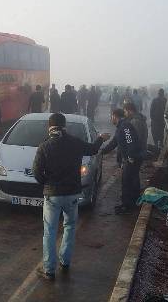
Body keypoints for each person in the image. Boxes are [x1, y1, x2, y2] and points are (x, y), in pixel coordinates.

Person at [32, 113, 110, 281]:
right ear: (64, 126)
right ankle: (65, 262)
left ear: (49, 126)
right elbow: (93, 149)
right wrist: (101, 138)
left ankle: (49, 270)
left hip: (52, 195)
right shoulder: (75, 142)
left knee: (50, 231)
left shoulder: (44, 146)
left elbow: (37, 173)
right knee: (69, 227)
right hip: (72, 194)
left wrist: (48, 183)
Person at [101, 109, 142, 214]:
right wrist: (102, 151)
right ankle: (131, 203)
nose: (111, 119)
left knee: (127, 182)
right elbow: (114, 142)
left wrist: (130, 157)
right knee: (129, 182)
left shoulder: (125, 127)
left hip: (132, 159)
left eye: (111, 117)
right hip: (130, 159)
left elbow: (130, 142)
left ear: (115, 116)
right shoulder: (121, 127)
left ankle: (127, 206)